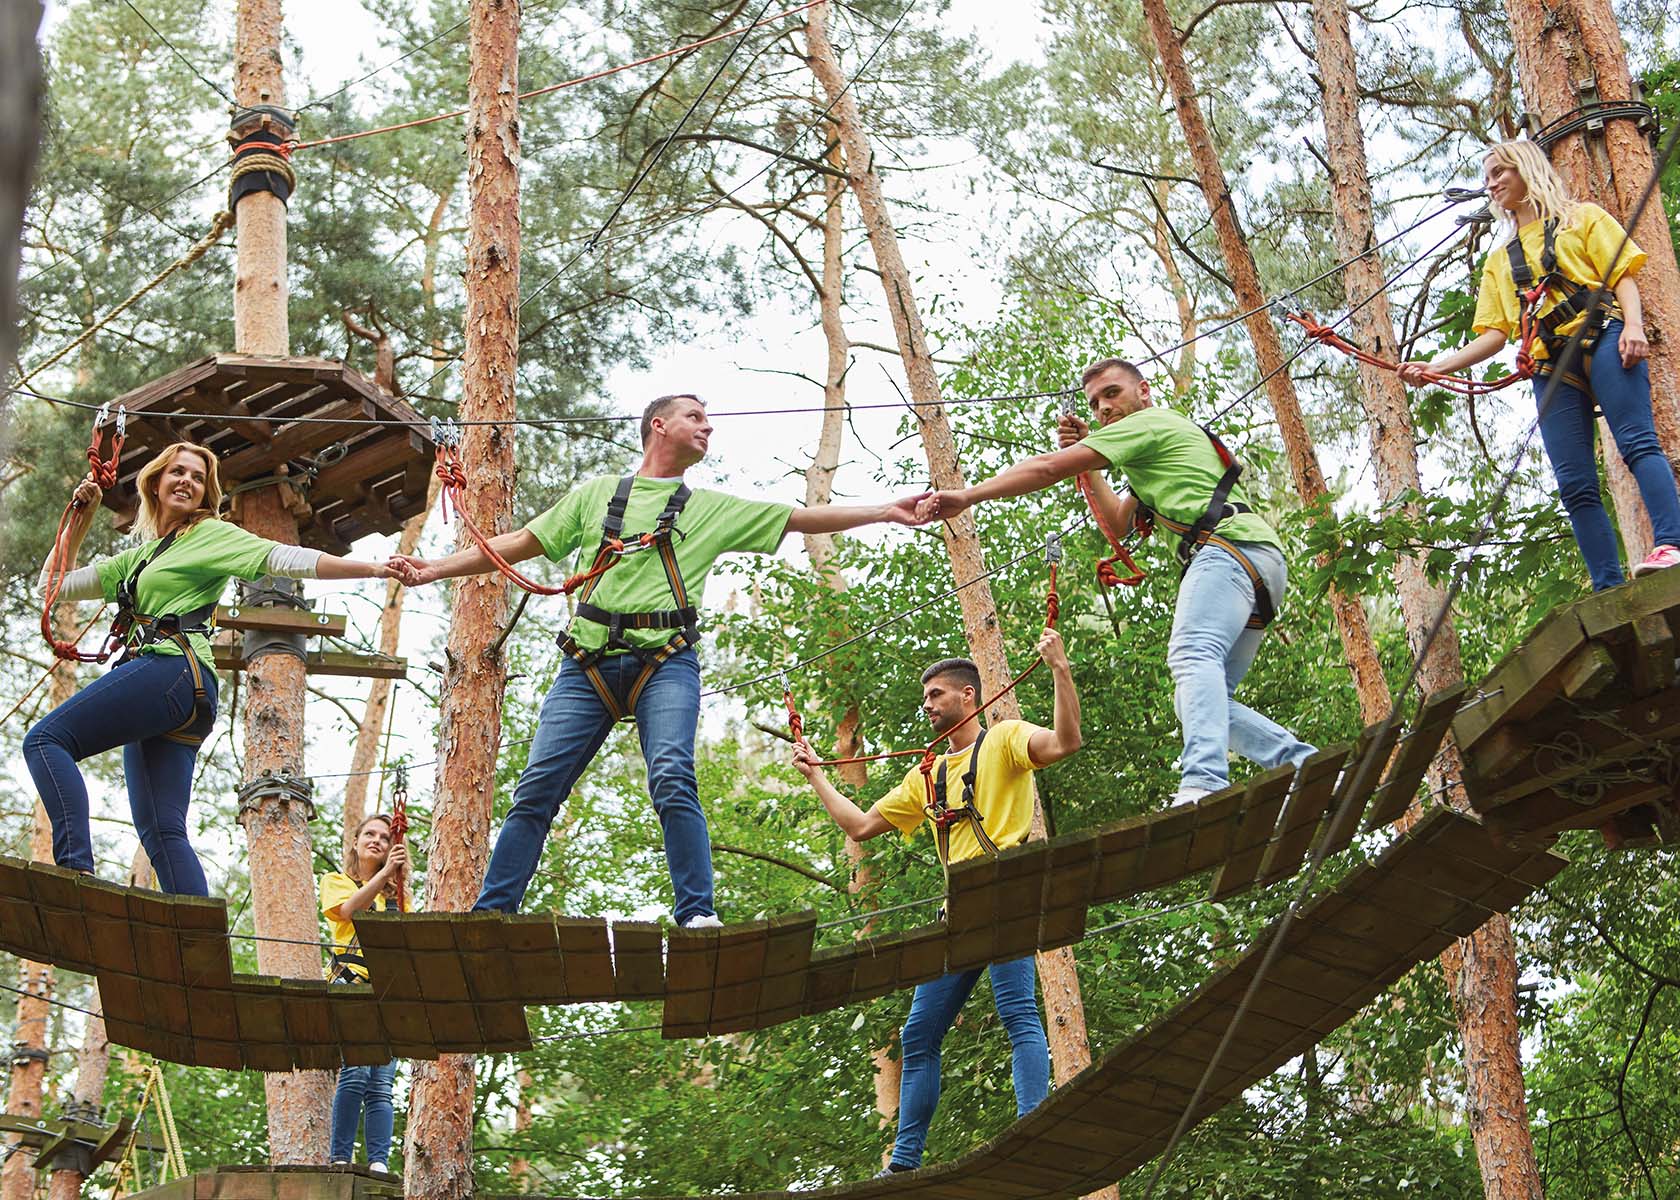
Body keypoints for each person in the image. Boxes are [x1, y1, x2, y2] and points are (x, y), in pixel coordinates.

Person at [393, 392, 931, 926]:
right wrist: (435, 568)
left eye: (708, 418)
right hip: (587, 664)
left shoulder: (710, 509)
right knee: (537, 787)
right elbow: (518, 542)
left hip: (665, 664)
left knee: (673, 777)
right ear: (659, 425)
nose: (708, 428)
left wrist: (887, 509)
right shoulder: (598, 495)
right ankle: (492, 913)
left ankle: (696, 913)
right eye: (695, 417)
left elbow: (803, 518)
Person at [917, 360, 1314, 802]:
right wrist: (1090, 465)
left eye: (1112, 393)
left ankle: (1204, 780)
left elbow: (1048, 467)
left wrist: (968, 496)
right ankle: (1301, 764)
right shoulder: (1152, 443)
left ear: (1143, 391)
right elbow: (1119, 521)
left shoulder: (1149, 422)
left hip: (1228, 551)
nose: (1103, 408)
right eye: (1095, 403)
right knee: (1197, 699)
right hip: (1256, 562)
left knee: (1191, 654)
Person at [25, 441, 396, 895]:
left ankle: (75, 873)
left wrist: (372, 568)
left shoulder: (209, 535)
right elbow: (53, 587)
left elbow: (281, 557)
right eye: (177, 472)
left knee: (45, 740)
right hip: (180, 693)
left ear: (205, 494)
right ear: (156, 483)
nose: (187, 482)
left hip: (172, 671)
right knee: (163, 832)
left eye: (198, 478)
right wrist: (78, 523)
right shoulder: (136, 558)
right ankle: (200, 949)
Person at [790, 632, 1080, 1174]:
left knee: (1018, 1015)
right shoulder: (925, 775)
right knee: (917, 1035)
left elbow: (1065, 743)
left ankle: (1032, 1129)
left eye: (936, 695)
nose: (926, 705)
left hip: (1006, 897)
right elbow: (859, 825)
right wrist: (816, 777)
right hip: (959, 913)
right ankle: (903, 1162)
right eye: (925, 697)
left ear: (969, 697)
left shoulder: (1006, 740)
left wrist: (1060, 670)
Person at [1398, 138, 1680, 591]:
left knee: (1636, 443)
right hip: (1551, 366)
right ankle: (1607, 585)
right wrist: (1439, 366)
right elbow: (1493, 335)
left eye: (1498, 172)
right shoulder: (1499, 261)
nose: (1490, 184)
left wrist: (1634, 327)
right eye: (1486, 177)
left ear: (1525, 168)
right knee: (1573, 483)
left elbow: (1621, 276)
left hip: (1603, 335)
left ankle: (1670, 543)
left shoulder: (1581, 218)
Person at [321, 813, 406, 1172]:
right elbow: (347, 910)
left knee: (381, 1083)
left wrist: (391, 881)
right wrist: (385, 875)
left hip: (387, 992)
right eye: (369, 834)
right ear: (355, 843)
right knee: (356, 1071)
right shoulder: (337, 881)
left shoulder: (397, 898)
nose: (377, 841)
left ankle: (378, 1162)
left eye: (385, 838)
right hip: (350, 985)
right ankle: (340, 1156)